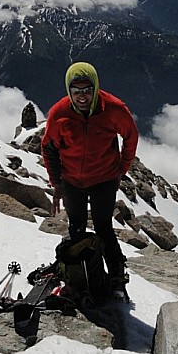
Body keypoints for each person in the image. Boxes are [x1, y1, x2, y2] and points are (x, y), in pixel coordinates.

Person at [42, 62, 139, 296]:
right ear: (69, 91)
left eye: (87, 90)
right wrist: (57, 183)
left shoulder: (114, 109)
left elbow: (131, 137)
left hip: (104, 179)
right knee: (76, 228)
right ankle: (81, 274)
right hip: (72, 181)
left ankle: (116, 278)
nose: (82, 96)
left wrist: (120, 170)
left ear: (95, 88)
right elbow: (49, 147)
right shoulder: (59, 113)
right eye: (76, 91)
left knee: (104, 227)